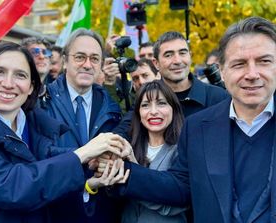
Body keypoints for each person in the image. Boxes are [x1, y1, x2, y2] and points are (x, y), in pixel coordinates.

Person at [0, 42, 126, 223]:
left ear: (31, 87)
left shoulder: (31, 122)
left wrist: (90, 163)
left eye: (20, 75)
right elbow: (9, 186)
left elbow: (45, 156)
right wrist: (81, 155)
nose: (8, 83)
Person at [112, 16, 276, 222]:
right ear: (222, 71)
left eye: (264, 61)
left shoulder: (212, 97)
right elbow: (181, 186)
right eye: (239, 64)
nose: (252, 74)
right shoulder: (197, 127)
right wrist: (122, 171)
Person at [44, 28, 124, 222]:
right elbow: (40, 155)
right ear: (65, 61)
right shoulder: (41, 103)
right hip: (56, 210)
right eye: (80, 57)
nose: (87, 65)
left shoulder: (113, 108)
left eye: (95, 59)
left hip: (102, 212)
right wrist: (87, 156)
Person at [120, 80, 187, 223]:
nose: (153, 111)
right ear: (138, 112)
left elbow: (172, 205)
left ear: (173, 109)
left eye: (161, 103)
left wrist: (132, 167)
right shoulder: (129, 146)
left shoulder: (183, 150)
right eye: (145, 105)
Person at [153, 31, 228, 117]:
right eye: (168, 55)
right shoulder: (147, 102)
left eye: (182, 53)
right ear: (156, 63)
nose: (177, 61)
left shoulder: (218, 98)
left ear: (190, 56)